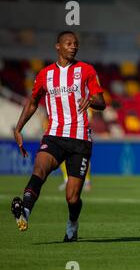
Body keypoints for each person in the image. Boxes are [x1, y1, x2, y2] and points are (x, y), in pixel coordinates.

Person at [10, 30, 105, 242]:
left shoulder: (86, 70)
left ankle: (72, 224)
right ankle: (24, 211)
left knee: (72, 197)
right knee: (40, 169)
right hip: (54, 135)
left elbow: (102, 102)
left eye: (76, 44)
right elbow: (33, 102)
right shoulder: (45, 75)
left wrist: (90, 99)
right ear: (58, 46)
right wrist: (18, 128)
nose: (74, 46)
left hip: (80, 139)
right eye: (69, 43)